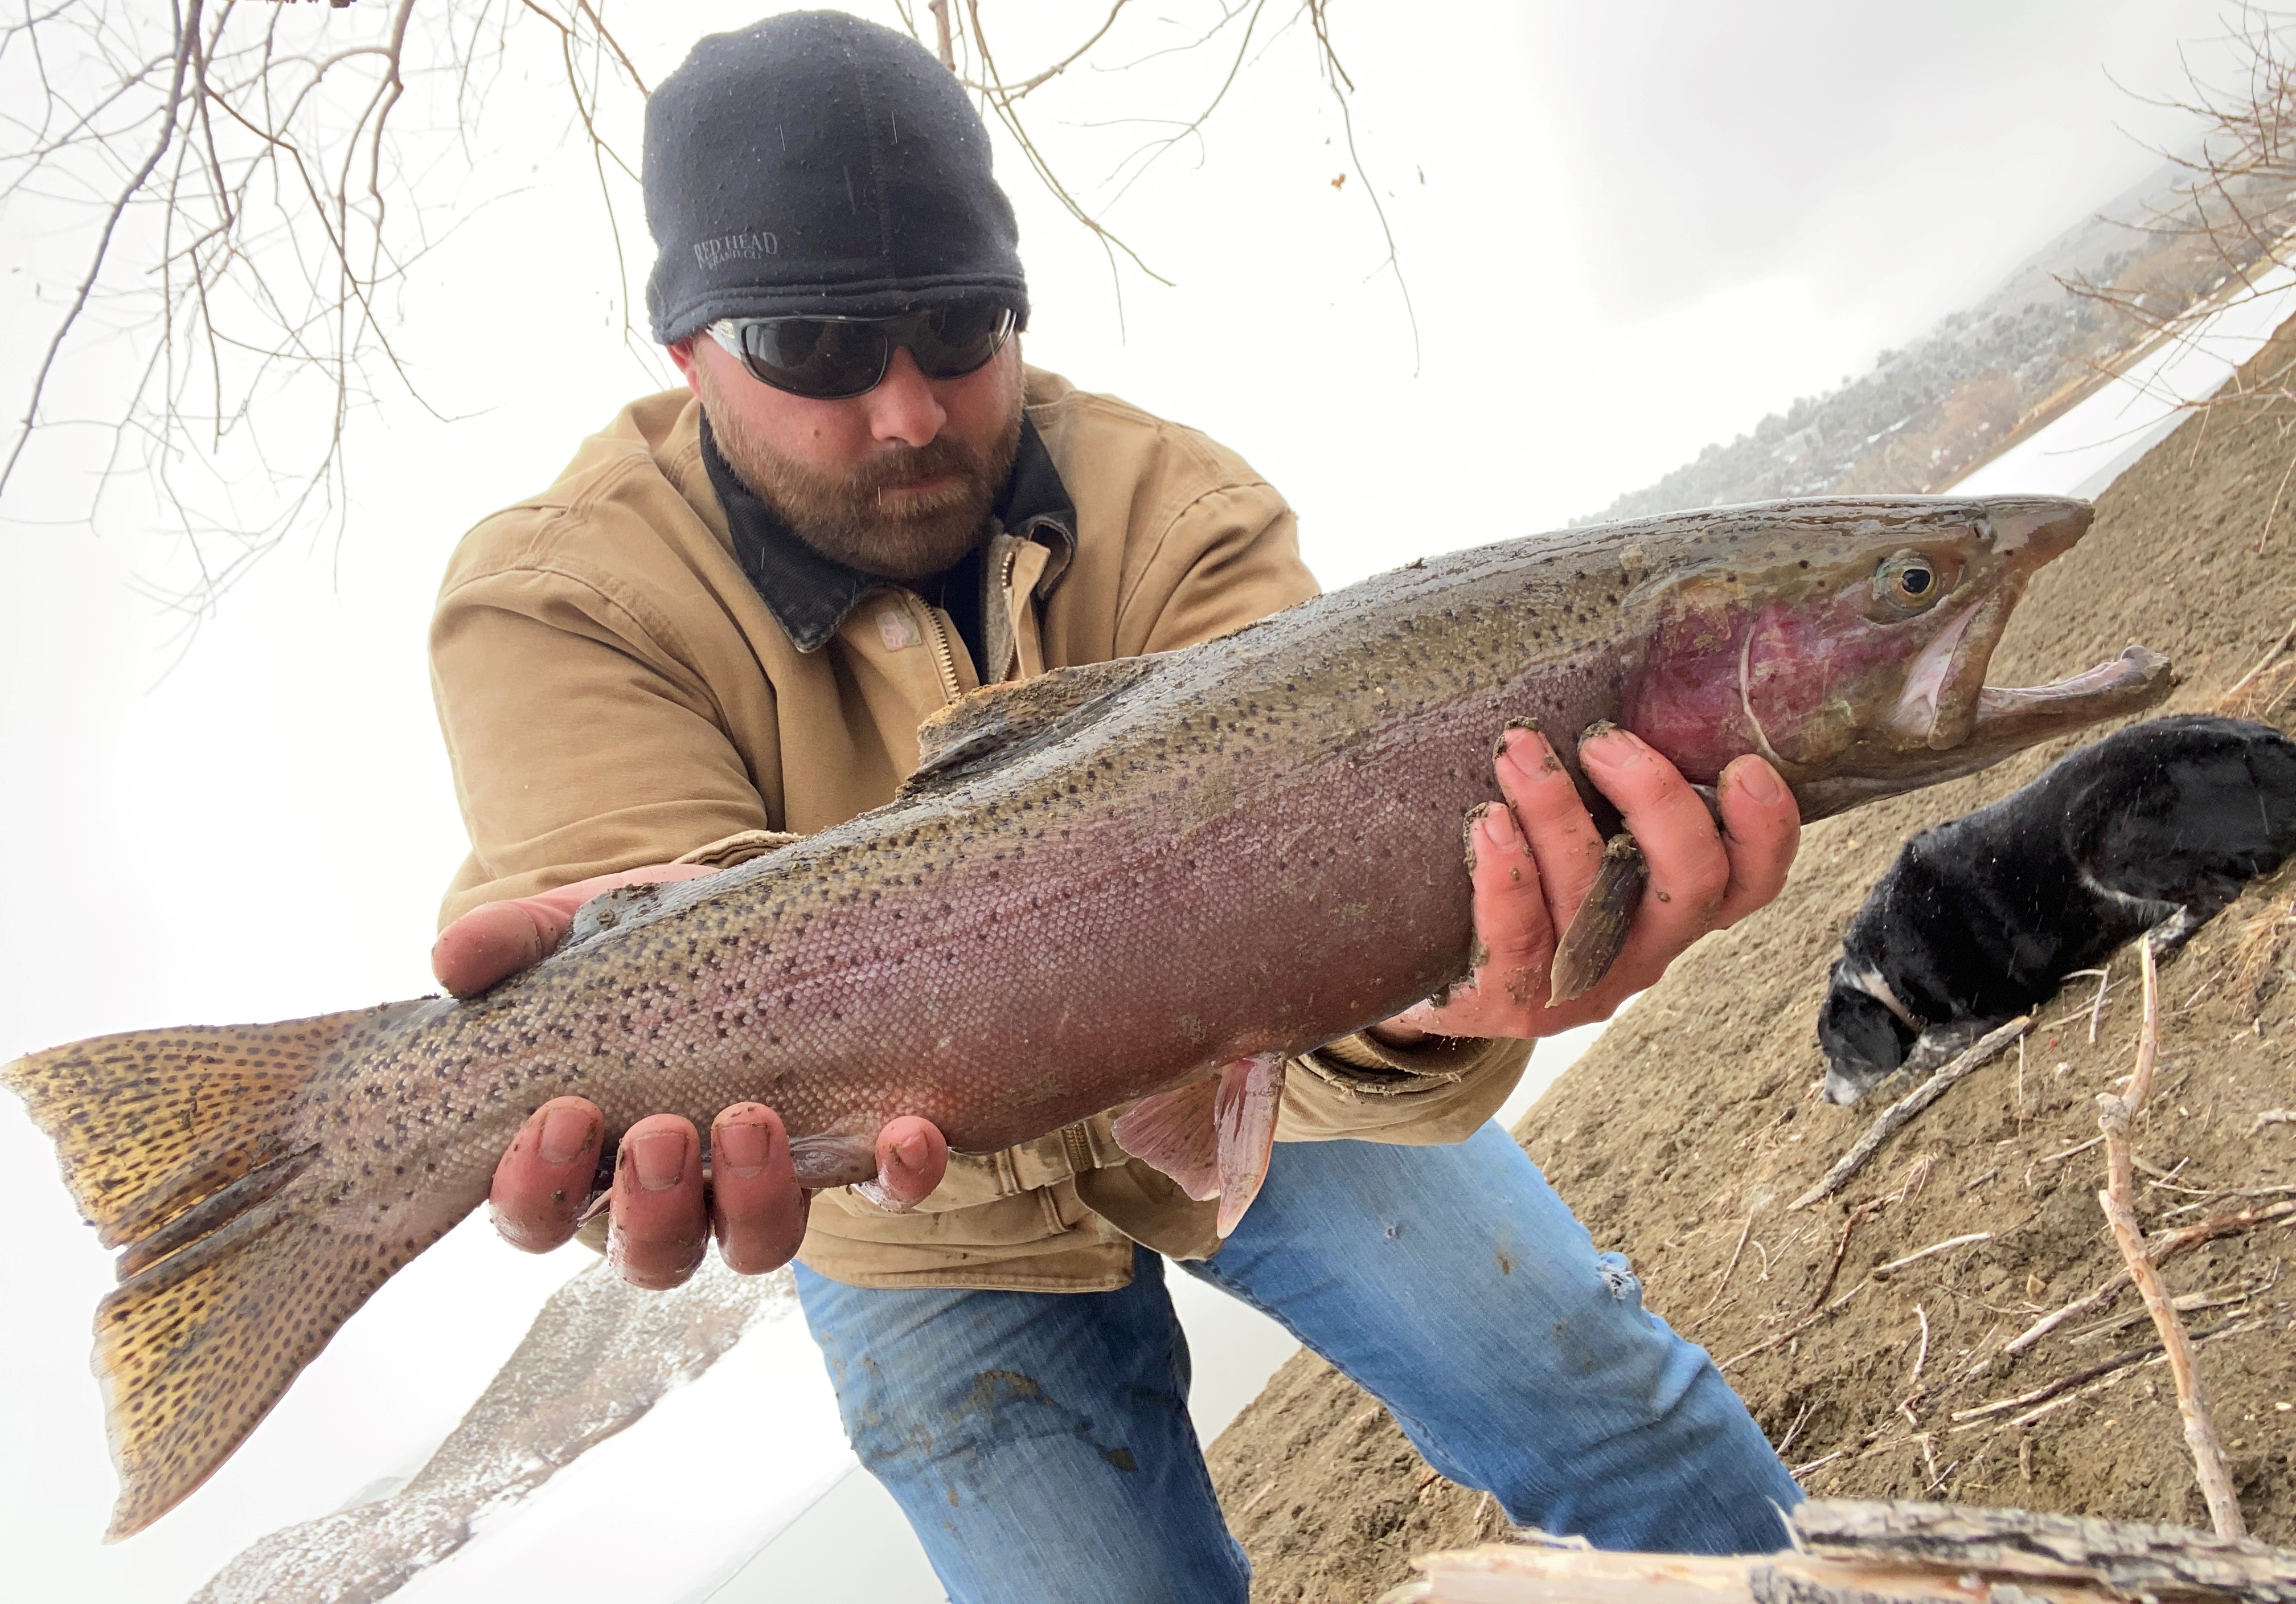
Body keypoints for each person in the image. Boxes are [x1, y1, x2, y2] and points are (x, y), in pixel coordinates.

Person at [426, 14, 1805, 1600]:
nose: (906, 409)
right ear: (688, 352)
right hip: (909, 1222)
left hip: (1269, 1083)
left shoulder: (1184, 511)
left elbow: (1354, 931)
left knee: (1616, 1413)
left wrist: (1452, 996)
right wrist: (616, 1095)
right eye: (812, 347)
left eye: (957, 325)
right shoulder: (553, 599)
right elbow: (623, 933)